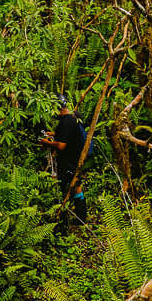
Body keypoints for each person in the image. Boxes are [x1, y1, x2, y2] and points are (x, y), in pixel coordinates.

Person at [41, 92, 87, 222]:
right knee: (75, 185)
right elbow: (70, 134)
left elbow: (61, 145)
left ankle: (74, 218)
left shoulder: (66, 122)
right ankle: (78, 217)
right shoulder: (74, 116)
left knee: (69, 186)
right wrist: (54, 133)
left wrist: (47, 142)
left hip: (70, 160)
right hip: (77, 157)